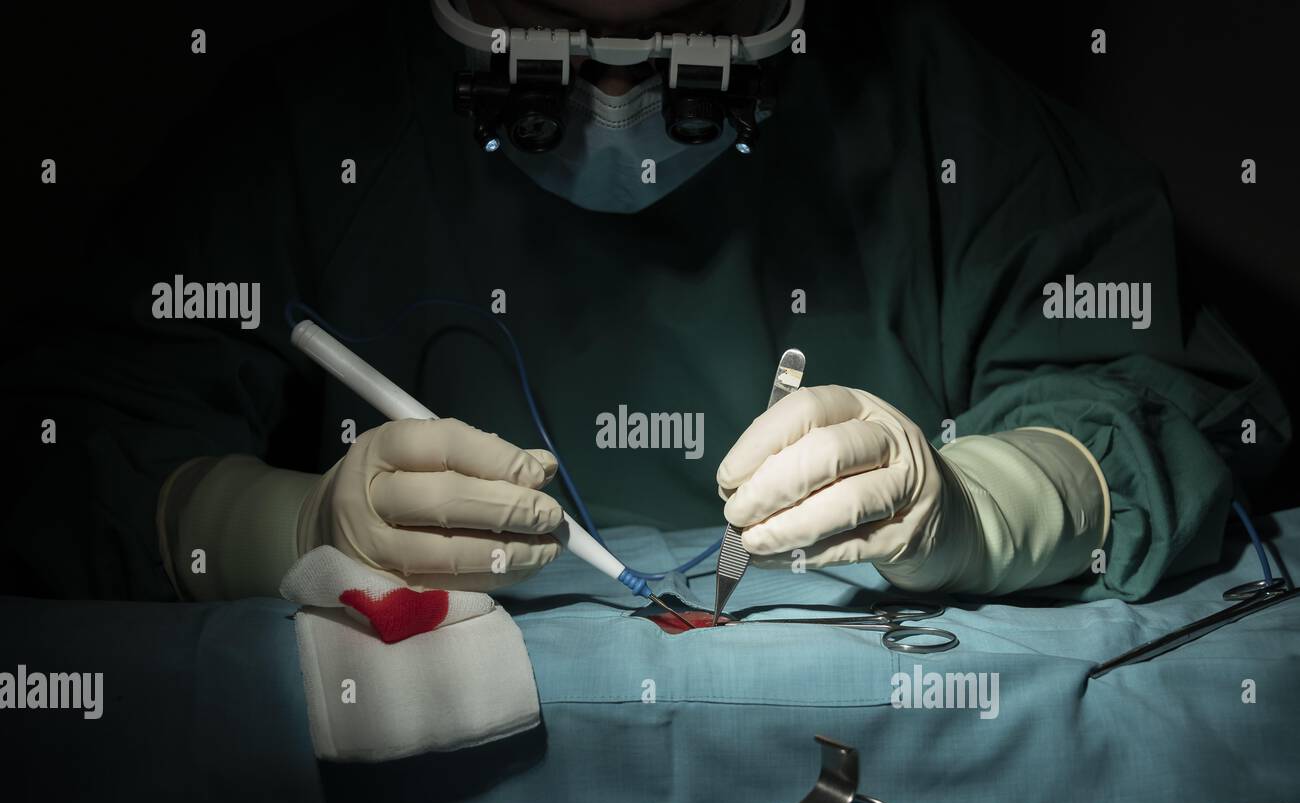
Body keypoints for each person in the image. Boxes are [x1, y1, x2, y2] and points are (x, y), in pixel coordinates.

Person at [3, 0, 1288, 603]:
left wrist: (987, 504)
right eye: (537, 55)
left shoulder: (933, 113)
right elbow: (58, 443)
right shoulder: (309, 136)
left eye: (692, 52)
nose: (616, 109)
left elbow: (1175, 396)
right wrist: (274, 524)